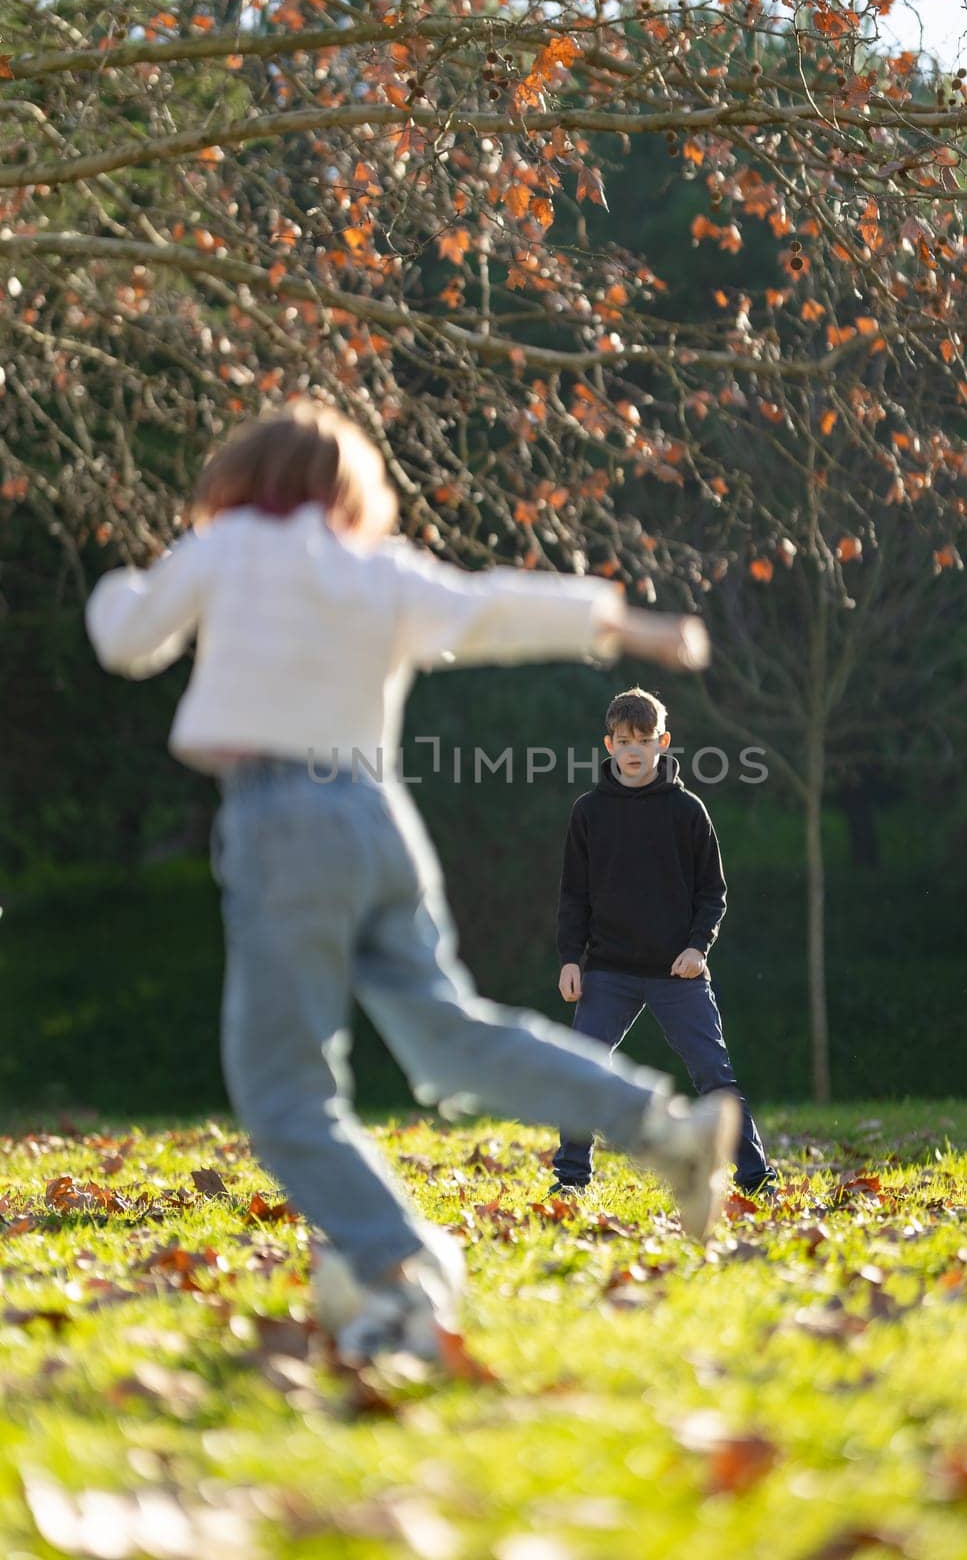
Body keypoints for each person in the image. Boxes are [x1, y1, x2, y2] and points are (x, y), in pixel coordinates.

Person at [85, 399, 740, 1369]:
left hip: (280, 817)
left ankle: (399, 1273)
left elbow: (126, 639)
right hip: (376, 818)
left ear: (243, 481)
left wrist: (115, 587)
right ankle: (664, 1126)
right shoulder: (374, 570)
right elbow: (486, 606)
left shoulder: (222, 548)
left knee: (283, 1090)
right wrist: (620, 623)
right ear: (350, 492)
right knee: (446, 1032)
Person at [552, 686, 776, 1200]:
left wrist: (699, 947)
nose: (634, 750)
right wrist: (571, 958)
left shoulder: (687, 811)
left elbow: (711, 893)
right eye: (624, 740)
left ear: (663, 743)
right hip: (607, 968)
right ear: (608, 745)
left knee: (714, 1075)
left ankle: (755, 1177)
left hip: (679, 970)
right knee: (580, 1070)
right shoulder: (588, 813)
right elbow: (574, 896)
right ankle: (570, 1178)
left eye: (644, 740)